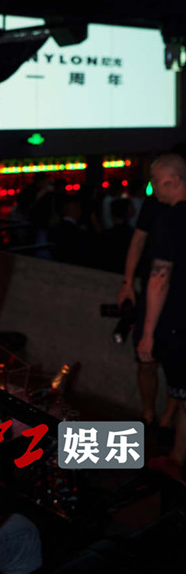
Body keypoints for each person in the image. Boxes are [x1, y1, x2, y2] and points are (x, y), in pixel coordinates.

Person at [137, 154, 186, 480]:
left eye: (156, 180)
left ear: (174, 180)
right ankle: (177, 458)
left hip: (179, 323)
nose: (153, 187)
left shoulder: (171, 220)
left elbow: (159, 279)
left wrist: (148, 333)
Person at [118, 193, 177, 431]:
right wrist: (127, 283)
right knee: (145, 358)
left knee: (177, 363)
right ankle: (148, 414)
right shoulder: (154, 204)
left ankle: (166, 420)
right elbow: (138, 240)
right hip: (150, 291)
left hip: (178, 297)